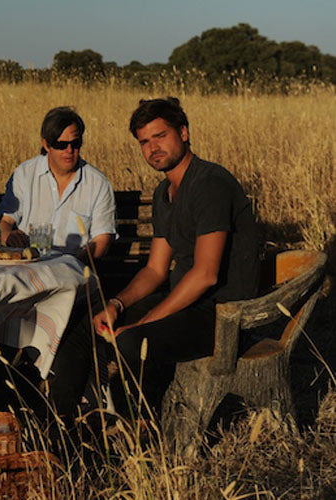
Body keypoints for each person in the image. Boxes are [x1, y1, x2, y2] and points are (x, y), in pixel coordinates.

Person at [93, 97, 261, 412]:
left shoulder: (210, 183)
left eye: (161, 136)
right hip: (187, 300)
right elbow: (155, 270)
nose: (153, 148)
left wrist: (144, 323)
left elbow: (206, 274)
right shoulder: (164, 193)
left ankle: (142, 424)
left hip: (223, 313)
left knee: (133, 340)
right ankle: (84, 415)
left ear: (183, 133)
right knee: (96, 325)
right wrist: (116, 304)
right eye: (144, 142)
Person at [0, 106, 116, 260]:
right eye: (61, 145)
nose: (69, 150)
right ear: (46, 145)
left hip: (74, 267)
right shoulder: (24, 174)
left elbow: (102, 240)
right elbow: (5, 221)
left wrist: (73, 264)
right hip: (28, 265)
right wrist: (9, 237)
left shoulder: (98, 184)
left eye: (75, 143)